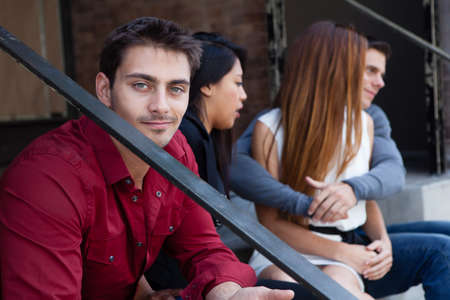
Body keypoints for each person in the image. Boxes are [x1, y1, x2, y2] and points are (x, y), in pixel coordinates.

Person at [0, 17, 294, 300]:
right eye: (141, 85)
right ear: (104, 90)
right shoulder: (47, 178)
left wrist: (228, 294)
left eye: (176, 88)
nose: (161, 107)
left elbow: (203, 247)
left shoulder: (174, 150)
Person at [232, 22, 450, 299]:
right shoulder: (269, 127)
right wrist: (345, 252)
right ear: (330, 68)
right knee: (288, 285)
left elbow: (367, 200)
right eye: (358, 65)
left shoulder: (365, 123)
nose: (372, 79)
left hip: (343, 250)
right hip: (288, 250)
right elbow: (271, 223)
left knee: (351, 292)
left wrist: (382, 241)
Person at [146, 31, 312, 300]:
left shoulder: (202, 137)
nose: (244, 95)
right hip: (178, 283)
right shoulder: (184, 138)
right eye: (237, 83)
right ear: (207, 85)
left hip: (204, 277)